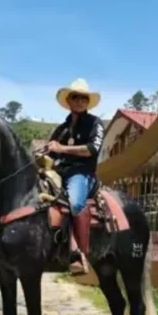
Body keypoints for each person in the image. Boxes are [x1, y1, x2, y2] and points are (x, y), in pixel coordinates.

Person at [43, 78, 105, 275]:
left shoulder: (95, 123)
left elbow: (92, 149)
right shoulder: (61, 129)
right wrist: (42, 155)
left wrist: (62, 148)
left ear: (87, 102)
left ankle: (79, 254)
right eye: (76, 97)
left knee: (76, 203)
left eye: (83, 98)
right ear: (69, 101)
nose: (80, 101)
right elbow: (51, 154)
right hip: (59, 173)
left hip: (82, 173)